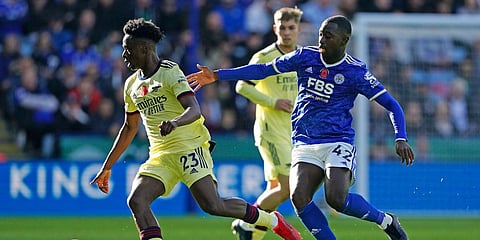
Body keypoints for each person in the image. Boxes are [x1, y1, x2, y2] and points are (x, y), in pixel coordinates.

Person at [187, 15, 415, 240]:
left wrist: (400, 137)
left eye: (328, 36)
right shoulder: (305, 56)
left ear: (344, 40)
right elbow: (263, 70)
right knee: (299, 198)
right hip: (305, 141)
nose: (321, 40)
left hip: (338, 140)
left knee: (336, 199)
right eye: (320, 34)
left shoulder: (355, 71)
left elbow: (392, 105)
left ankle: (385, 220)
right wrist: (217, 75)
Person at [89, 18, 302, 240]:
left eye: (127, 49)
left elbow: (194, 109)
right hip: (161, 156)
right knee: (137, 200)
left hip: (190, 148)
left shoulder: (170, 72)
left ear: (143, 49)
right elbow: (129, 127)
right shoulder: (131, 85)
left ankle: (273, 221)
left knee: (213, 205)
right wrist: (107, 167)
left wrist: (175, 122)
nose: (124, 55)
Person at [231, 7, 302, 240]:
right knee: (288, 187)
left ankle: (250, 232)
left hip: (295, 133)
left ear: (298, 29)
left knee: (276, 191)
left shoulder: (303, 58)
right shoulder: (264, 57)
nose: (287, 32)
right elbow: (241, 86)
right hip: (270, 131)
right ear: (275, 29)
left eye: (291, 28)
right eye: (282, 28)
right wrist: (273, 101)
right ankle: (246, 223)